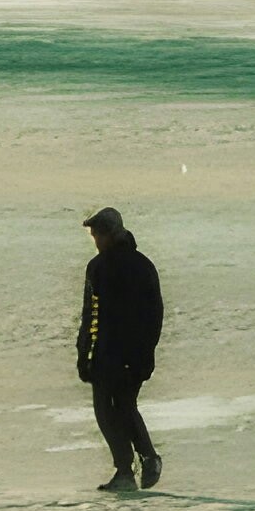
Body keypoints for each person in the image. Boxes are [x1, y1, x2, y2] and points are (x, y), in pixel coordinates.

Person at [75, 206, 164, 493]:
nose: (96, 242)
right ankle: (142, 461)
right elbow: (155, 316)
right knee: (123, 407)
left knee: (108, 409)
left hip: (112, 354)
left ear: (109, 235)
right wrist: (146, 353)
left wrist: (85, 353)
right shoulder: (142, 265)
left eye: (97, 235)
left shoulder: (103, 267)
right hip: (124, 354)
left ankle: (130, 467)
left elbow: (92, 315)